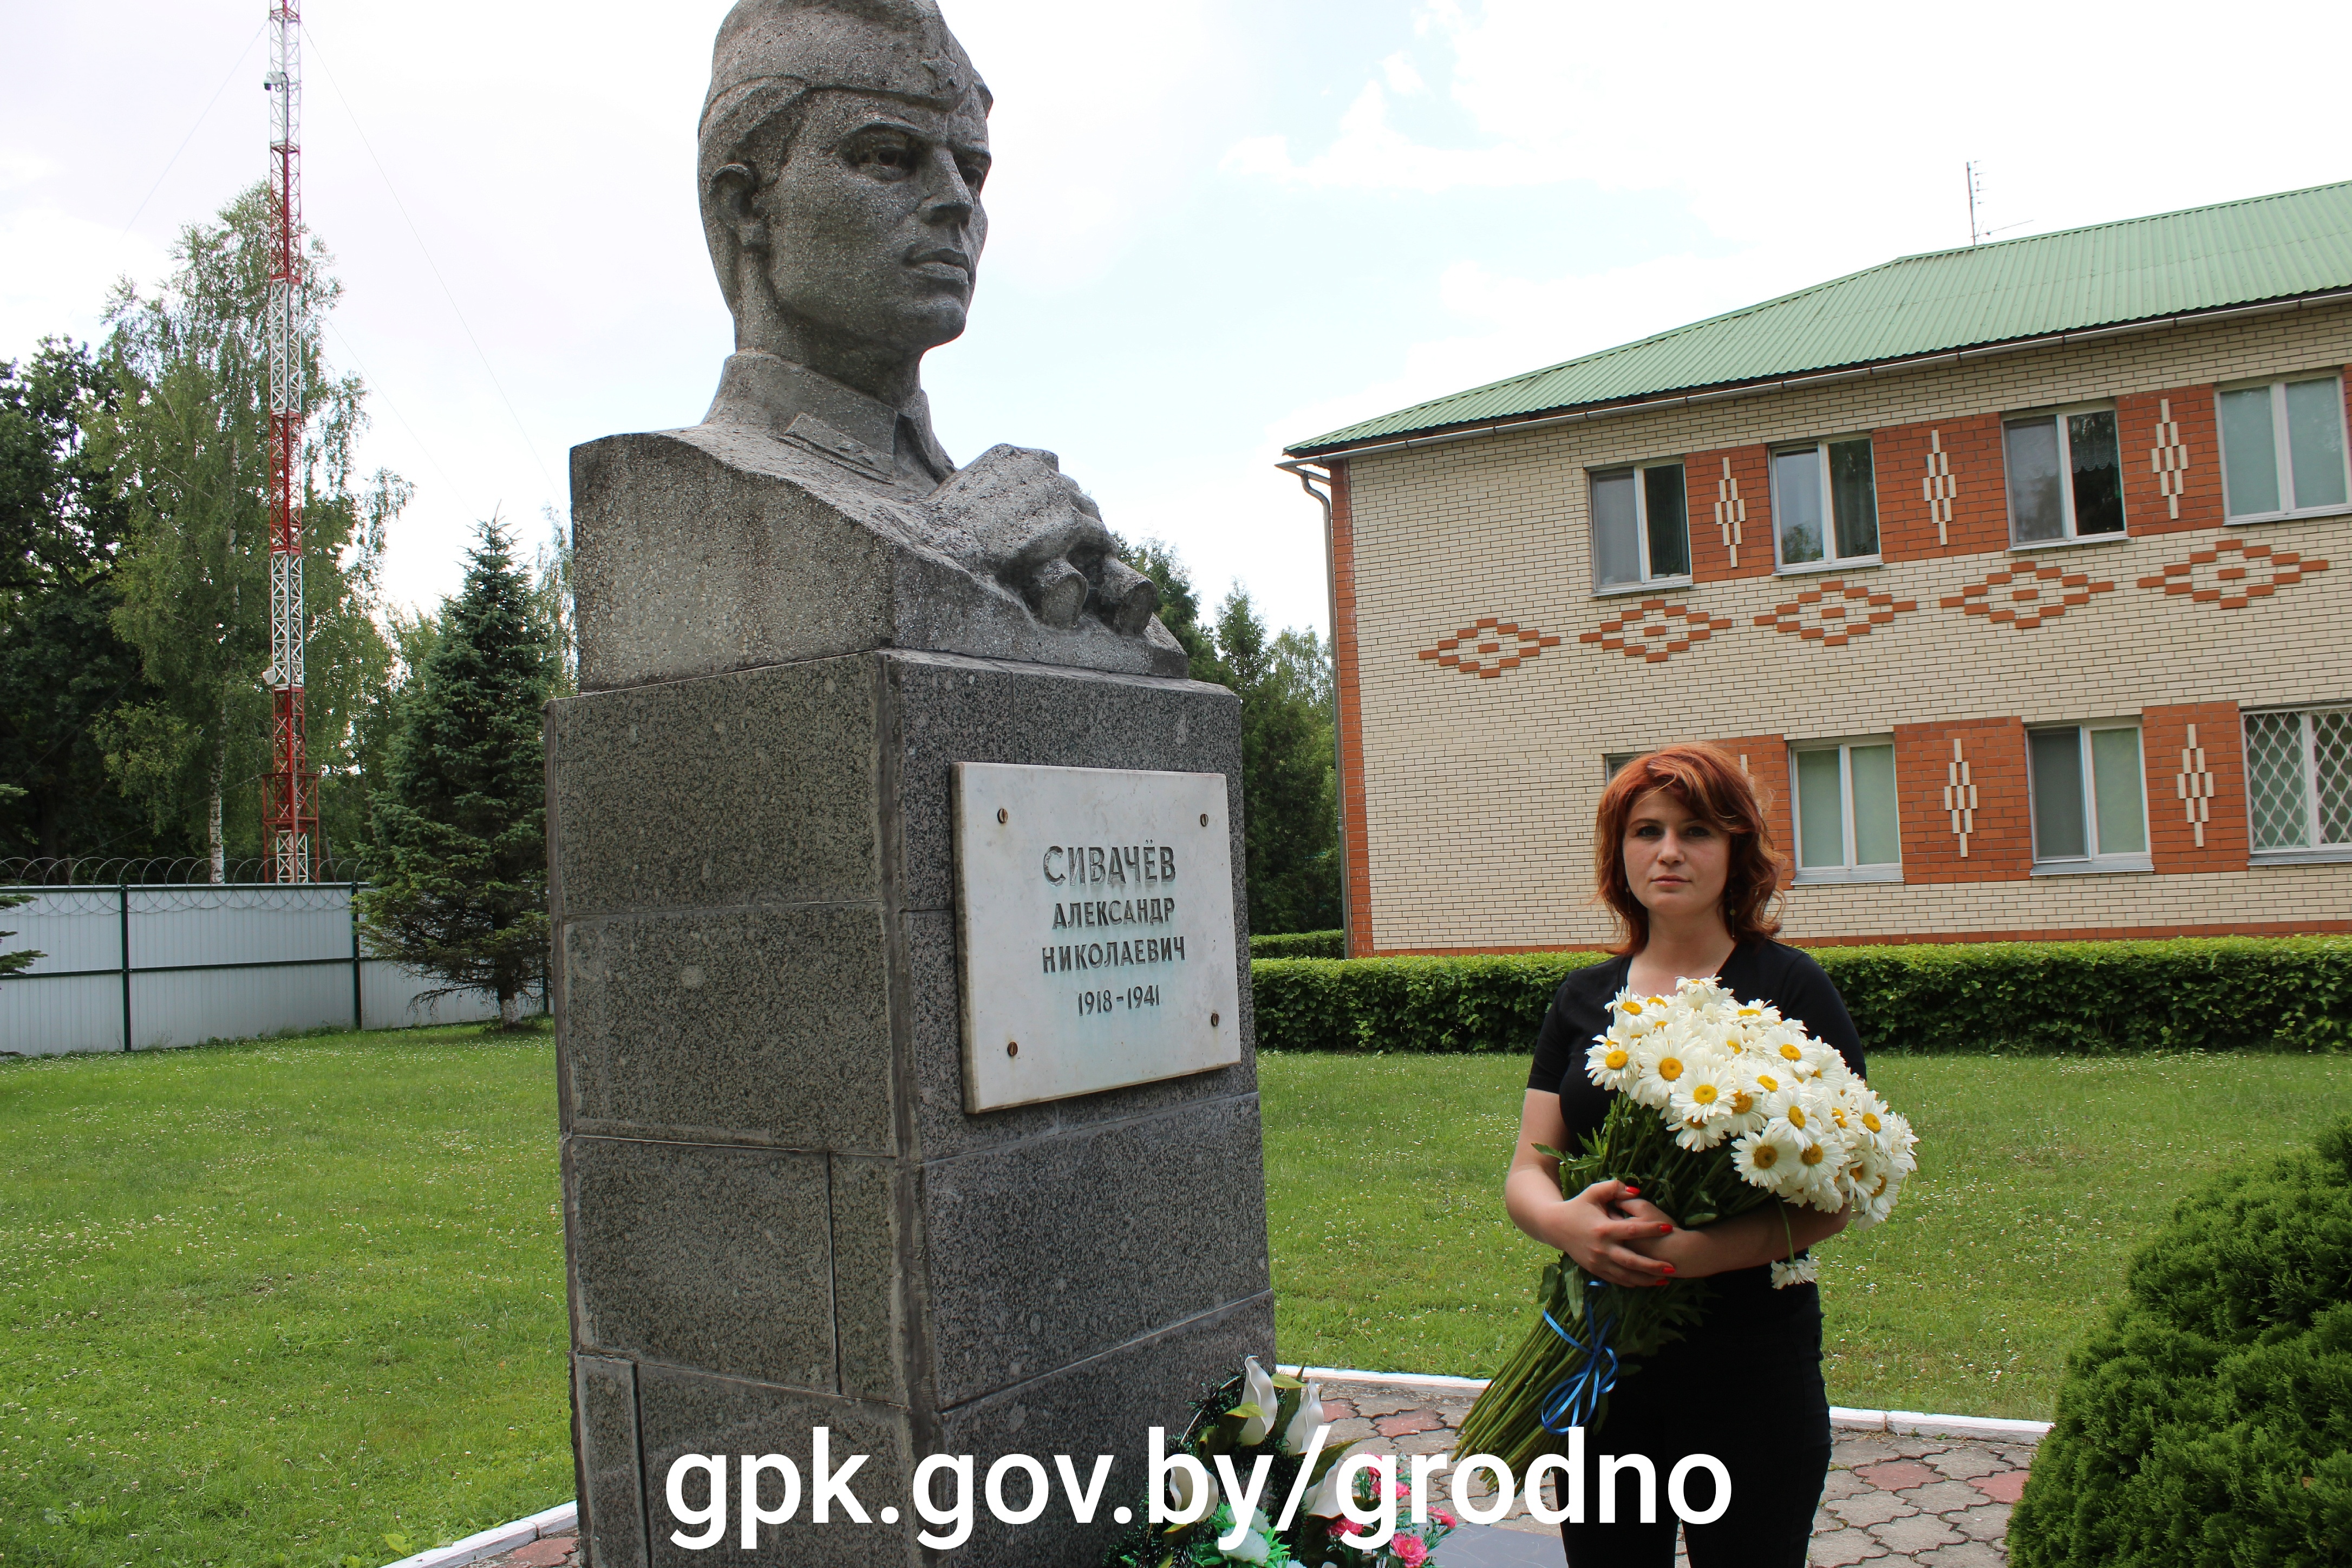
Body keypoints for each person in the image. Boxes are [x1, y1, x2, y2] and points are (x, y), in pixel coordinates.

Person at [1504, 742, 1865, 1567]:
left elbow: (1836, 1197)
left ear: (1736, 850)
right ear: (1620, 853)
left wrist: (1685, 1256)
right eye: (1647, 830)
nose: (1669, 851)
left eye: (1697, 830)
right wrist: (1569, 1228)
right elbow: (1528, 1169)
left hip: (1748, 1370)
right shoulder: (1583, 998)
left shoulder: (1791, 990)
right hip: (1601, 1365)